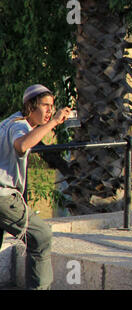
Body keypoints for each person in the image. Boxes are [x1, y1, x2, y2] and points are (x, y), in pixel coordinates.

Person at [0, 84, 71, 289]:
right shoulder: (20, 126)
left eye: (52, 106)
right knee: (41, 235)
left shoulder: (9, 121)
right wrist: (54, 122)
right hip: (4, 198)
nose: (50, 111)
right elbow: (22, 145)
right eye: (45, 105)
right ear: (31, 106)